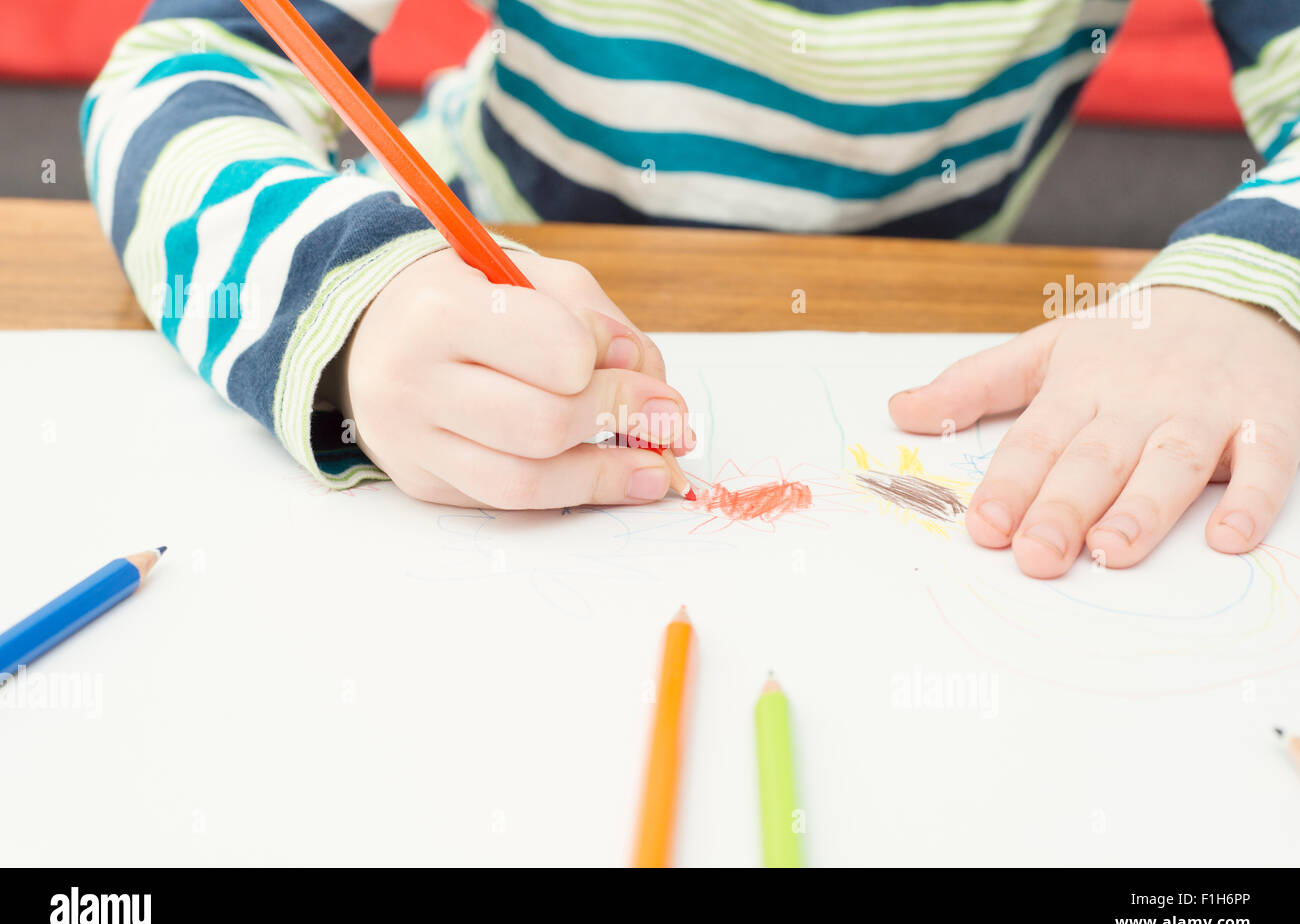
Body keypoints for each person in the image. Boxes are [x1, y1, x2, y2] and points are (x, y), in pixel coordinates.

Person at [81, 0, 1300, 579]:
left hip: (920, 292)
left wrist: (1247, 291)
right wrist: (354, 310)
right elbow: (181, 71)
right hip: (481, 280)